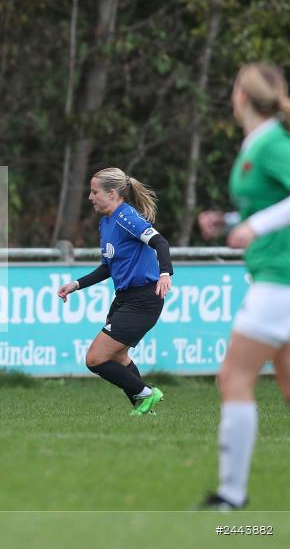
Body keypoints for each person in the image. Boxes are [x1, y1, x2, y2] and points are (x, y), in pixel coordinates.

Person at [196, 62, 290, 510]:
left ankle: (230, 496)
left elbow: (273, 213)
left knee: (233, 376)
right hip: (277, 276)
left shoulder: (272, 143)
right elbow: (272, 204)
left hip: (281, 279)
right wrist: (231, 221)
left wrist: (255, 226)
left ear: (241, 96)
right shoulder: (257, 144)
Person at [57, 167, 173, 416]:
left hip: (144, 300)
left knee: (94, 359)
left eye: (94, 192)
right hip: (124, 299)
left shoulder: (126, 218)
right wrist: (76, 285)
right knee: (119, 357)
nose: (90, 197)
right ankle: (145, 410)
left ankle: (145, 393)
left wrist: (165, 273)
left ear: (111, 193)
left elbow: (160, 242)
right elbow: (107, 268)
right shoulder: (106, 223)